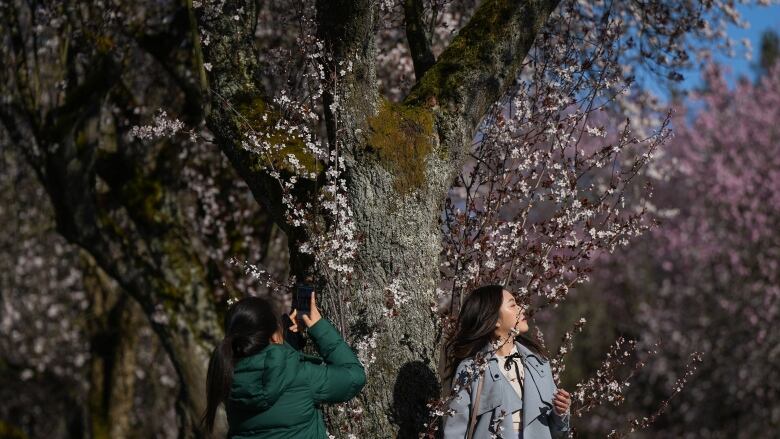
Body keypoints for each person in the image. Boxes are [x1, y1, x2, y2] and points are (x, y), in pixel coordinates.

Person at [200, 291, 366, 438]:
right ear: (274, 335)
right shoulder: (301, 375)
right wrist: (318, 327)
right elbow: (355, 377)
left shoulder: (226, 378)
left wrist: (284, 338)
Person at [442, 284, 571, 438]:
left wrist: (560, 412)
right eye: (513, 305)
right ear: (494, 319)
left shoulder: (539, 365)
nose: (522, 309)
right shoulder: (471, 369)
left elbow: (557, 431)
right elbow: (454, 432)